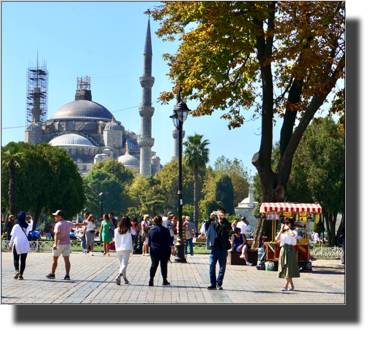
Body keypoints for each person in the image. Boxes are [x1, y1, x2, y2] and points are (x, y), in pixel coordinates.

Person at [46, 210, 88, 280]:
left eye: (56, 216)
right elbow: (76, 224)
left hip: (59, 244)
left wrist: (55, 244)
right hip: (67, 244)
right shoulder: (68, 223)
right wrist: (83, 224)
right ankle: (67, 275)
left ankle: (52, 274)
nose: (55, 218)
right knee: (67, 260)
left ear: (60, 217)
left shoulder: (58, 224)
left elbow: (57, 234)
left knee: (54, 259)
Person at [206, 207, 232, 290]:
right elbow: (206, 227)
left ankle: (219, 284)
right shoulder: (213, 223)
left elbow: (229, 229)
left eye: (221, 213)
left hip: (223, 249)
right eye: (218, 213)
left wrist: (223, 220)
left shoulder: (226, 223)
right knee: (211, 266)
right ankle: (212, 283)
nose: (220, 215)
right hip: (214, 248)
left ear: (224, 215)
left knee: (222, 267)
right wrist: (210, 218)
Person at [148, 215, 175, 286]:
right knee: (163, 265)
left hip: (154, 250)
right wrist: (173, 249)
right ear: (161, 221)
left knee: (154, 264)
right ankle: (164, 280)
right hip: (164, 250)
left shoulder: (151, 230)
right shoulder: (165, 230)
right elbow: (169, 241)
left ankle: (151, 279)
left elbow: (149, 242)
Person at [275, 219, 300, 291]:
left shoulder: (293, 231)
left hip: (290, 249)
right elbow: (277, 239)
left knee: (289, 267)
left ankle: (285, 286)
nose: (285, 224)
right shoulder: (282, 233)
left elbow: (293, 235)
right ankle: (291, 285)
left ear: (290, 224)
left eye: (287, 223)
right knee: (285, 267)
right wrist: (281, 230)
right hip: (283, 249)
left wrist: (288, 229)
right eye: (284, 223)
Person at [8, 212, 33, 280]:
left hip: (16, 245)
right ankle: (21, 275)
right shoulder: (27, 226)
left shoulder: (15, 226)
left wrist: (10, 245)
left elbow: (12, 237)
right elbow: (31, 226)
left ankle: (17, 270)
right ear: (24, 218)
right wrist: (31, 220)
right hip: (25, 245)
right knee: (23, 260)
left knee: (16, 259)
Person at [114, 216, 137, 285]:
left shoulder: (116, 230)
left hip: (118, 249)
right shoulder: (129, 229)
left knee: (121, 265)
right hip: (126, 249)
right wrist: (132, 225)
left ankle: (125, 279)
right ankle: (119, 275)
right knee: (124, 265)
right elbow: (135, 233)